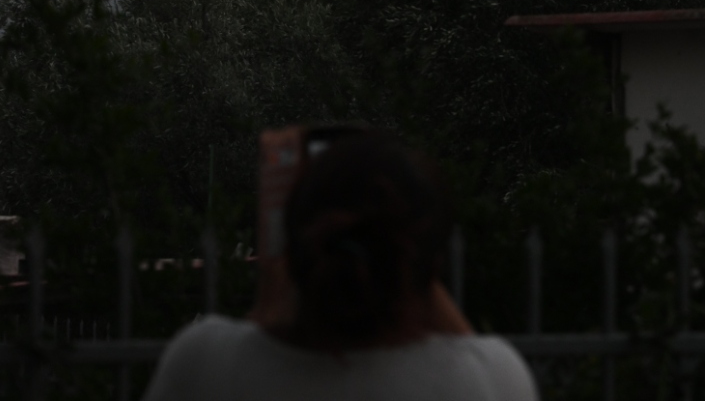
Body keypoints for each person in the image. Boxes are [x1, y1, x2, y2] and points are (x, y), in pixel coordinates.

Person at [142, 130, 538, 401]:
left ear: (294, 251)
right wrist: (408, 267)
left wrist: (269, 303)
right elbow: (466, 351)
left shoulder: (204, 365)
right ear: (429, 267)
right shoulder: (490, 379)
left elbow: (253, 348)